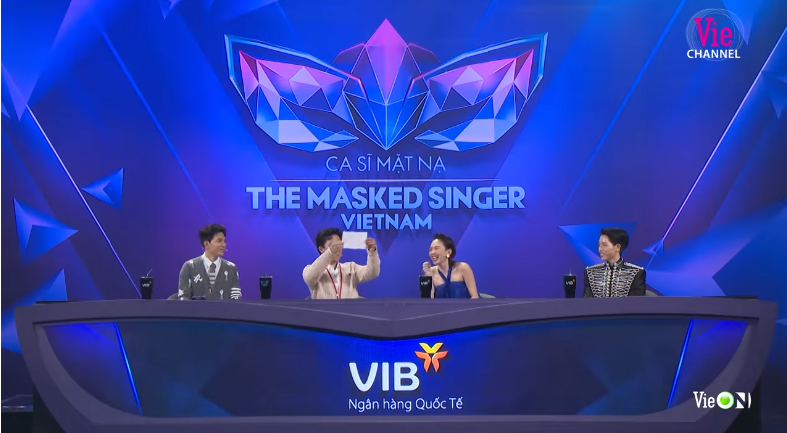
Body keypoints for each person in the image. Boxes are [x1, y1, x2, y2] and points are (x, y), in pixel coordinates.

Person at [303, 228, 380, 299]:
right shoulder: (311, 270)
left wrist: (372, 251)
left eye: (339, 245)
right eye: (332, 245)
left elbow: (373, 272)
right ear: (321, 249)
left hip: (350, 309)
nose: (337, 249)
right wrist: (330, 252)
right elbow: (309, 277)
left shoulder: (351, 267)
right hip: (324, 309)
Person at [177, 224, 242, 300]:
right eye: (219, 241)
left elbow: (236, 298)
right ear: (206, 244)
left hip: (225, 308)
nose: (224, 245)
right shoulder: (189, 267)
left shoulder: (231, 268)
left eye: (224, 241)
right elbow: (184, 297)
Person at [583, 227, 646, 297]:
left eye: (604, 245)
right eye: (599, 245)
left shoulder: (635, 272)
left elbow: (637, 302)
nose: (600, 249)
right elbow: (587, 301)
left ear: (618, 247)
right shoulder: (591, 272)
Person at [422, 233, 479, 299]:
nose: (432, 252)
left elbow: (475, 297)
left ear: (448, 252)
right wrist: (427, 277)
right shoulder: (431, 272)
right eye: (430, 250)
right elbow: (427, 301)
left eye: (436, 248)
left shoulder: (463, 268)